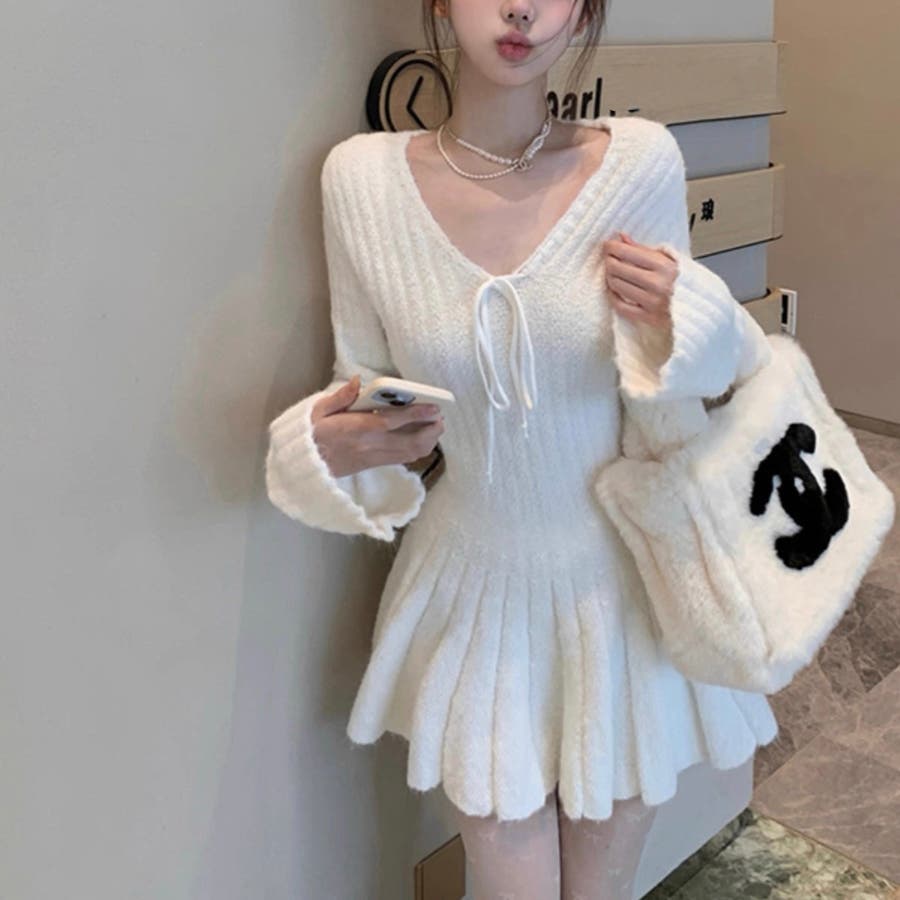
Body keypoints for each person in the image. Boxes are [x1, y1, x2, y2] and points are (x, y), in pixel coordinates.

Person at [265, 1, 779, 896]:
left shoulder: (639, 162)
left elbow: (679, 404)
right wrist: (319, 448)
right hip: (475, 590)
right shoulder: (361, 181)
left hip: (620, 591)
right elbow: (366, 391)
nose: (519, 9)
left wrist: (699, 319)